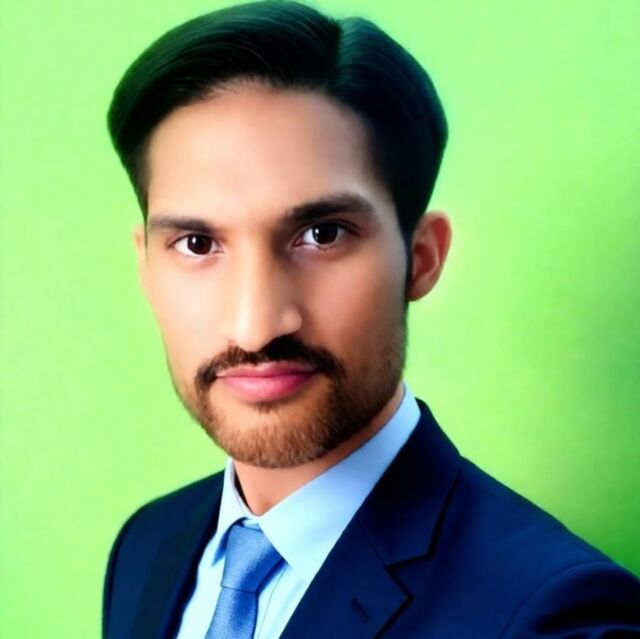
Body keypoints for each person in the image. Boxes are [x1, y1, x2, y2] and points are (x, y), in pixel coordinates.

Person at [102, 1, 640, 637]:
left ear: (422, 258)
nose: (256, 326)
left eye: (322, 234)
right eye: (197, 244)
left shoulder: (556, 617)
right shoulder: (148, 547)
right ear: (146, 265)